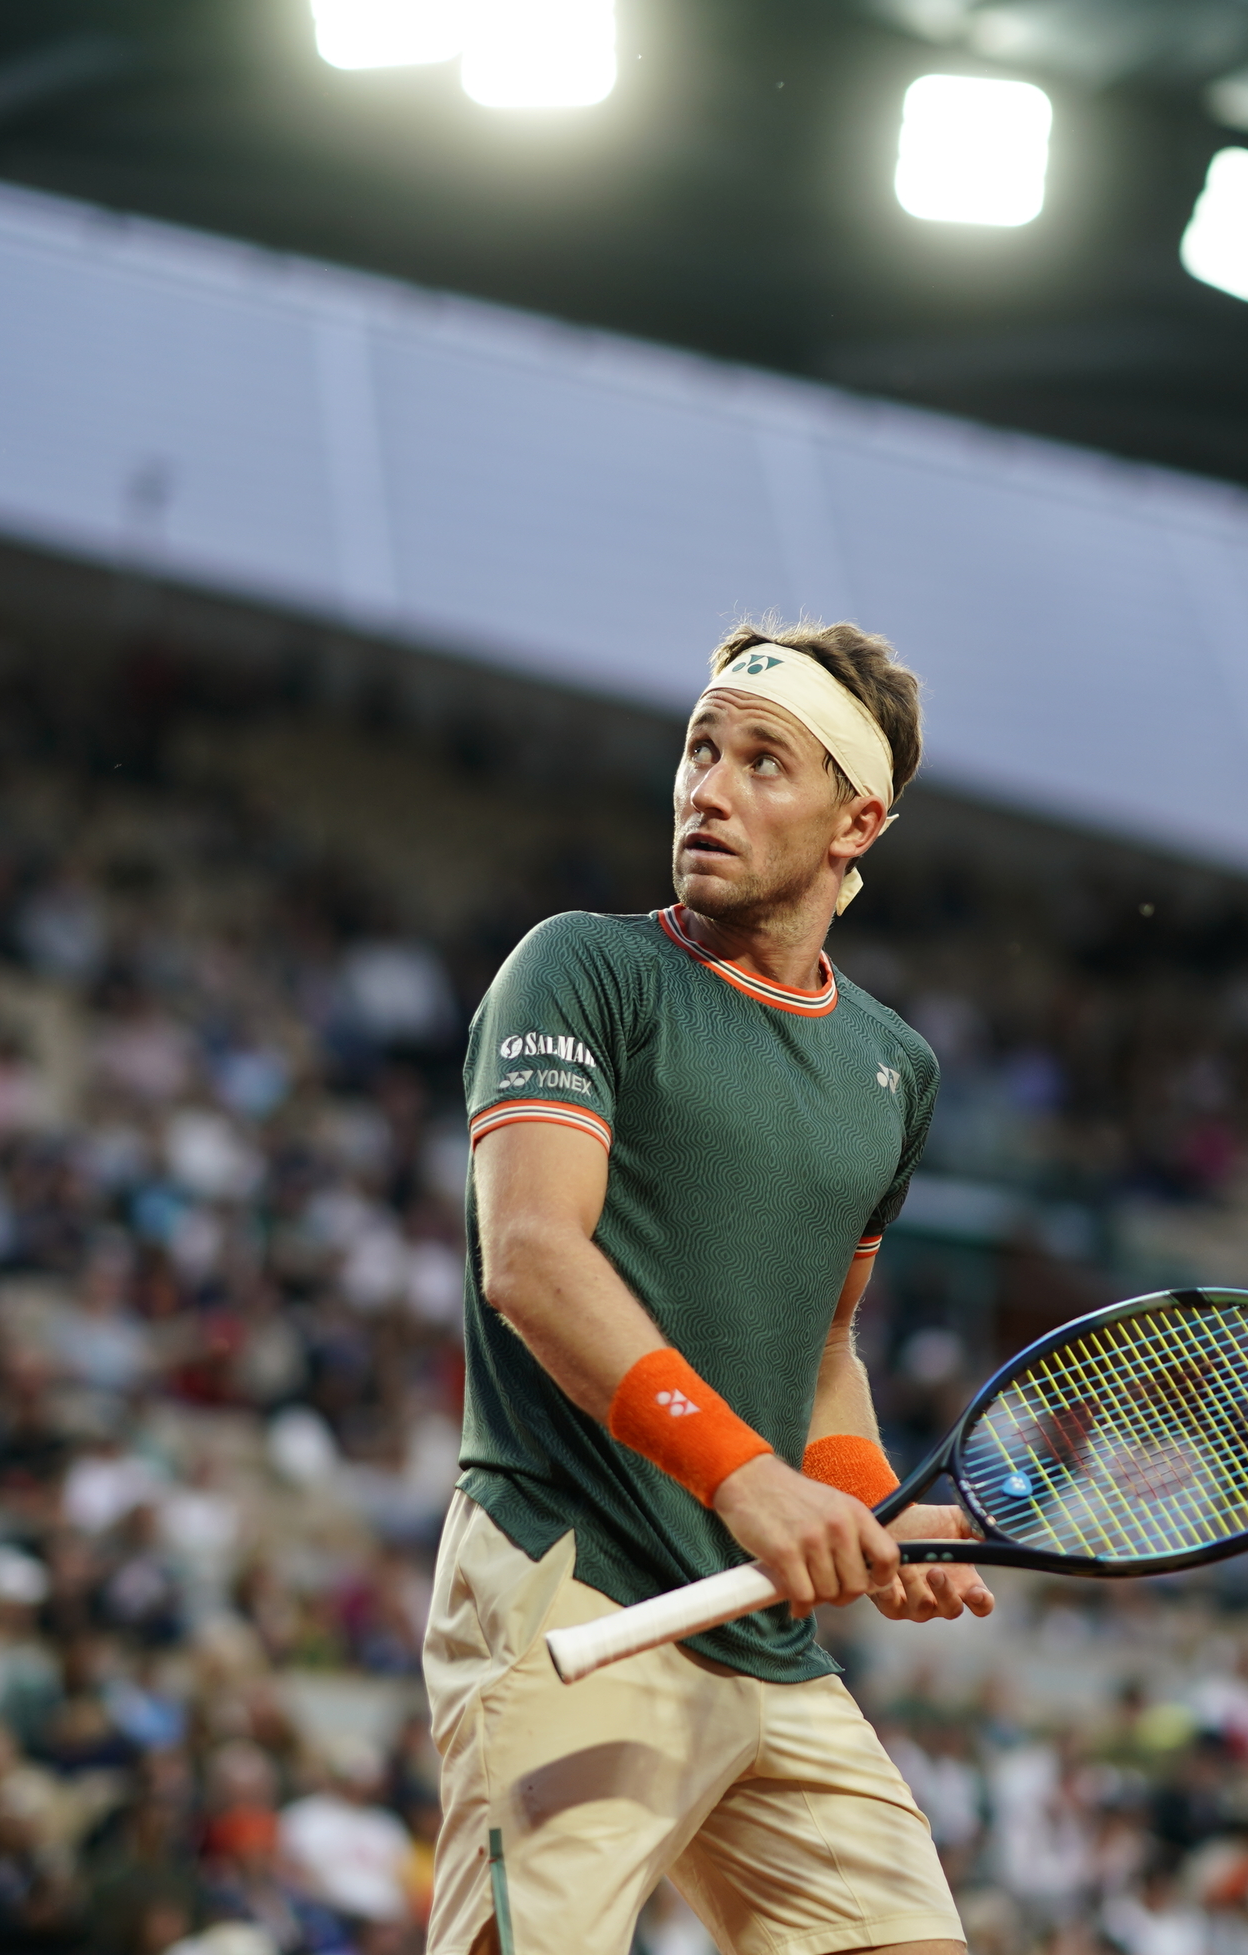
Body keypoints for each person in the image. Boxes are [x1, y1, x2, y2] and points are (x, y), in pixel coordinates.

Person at [427, 621, 990, 1955]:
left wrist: (864, 1497)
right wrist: (751, 1479)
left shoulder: (892, 1070)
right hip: (577, 1582)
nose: (708, 788)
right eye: (700, 750)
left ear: (858, 824)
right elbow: (535, 1260)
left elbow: (824, 1345)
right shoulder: (582, 967)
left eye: (762, 764)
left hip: (762, 1636)